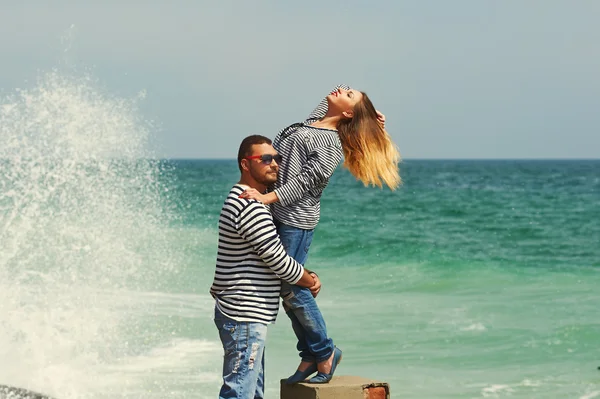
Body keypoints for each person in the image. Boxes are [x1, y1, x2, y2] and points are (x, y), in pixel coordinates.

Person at [239, 85, 401, 384]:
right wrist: (367, 119)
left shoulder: (331, 142)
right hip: (281, 214)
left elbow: (307, 182)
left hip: (295, 220)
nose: (344, 88)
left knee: (293, 288)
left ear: (348, 112)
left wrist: (267, 199)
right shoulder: (314, 124)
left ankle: (324, 352)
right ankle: (311, 355)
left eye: (350, 94)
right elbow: (330, 112)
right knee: (287, 291)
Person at [210, 135, 321, 399]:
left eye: (277, 158)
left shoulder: (245, 198)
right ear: (245, 165)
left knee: (251, 391)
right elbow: (277, 259)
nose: (274, 164)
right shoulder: (250, 205)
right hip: (244, 313)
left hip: (242, 311)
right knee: (240, 392)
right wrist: (310, 279)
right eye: (266, 159)